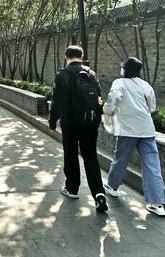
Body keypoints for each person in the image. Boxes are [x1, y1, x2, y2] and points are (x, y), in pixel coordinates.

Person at [102, 57, 165, 217]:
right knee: (152, 165)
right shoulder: (146, 85)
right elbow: (152, 107)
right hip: (146, 129)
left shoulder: (119, 83)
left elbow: (112, 99)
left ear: (125, 70)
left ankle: (113, 186)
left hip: (127, 129)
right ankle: (157, 203)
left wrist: (107, 110)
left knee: (121, 159)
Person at [48, 45, 108, 213]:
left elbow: (56, 101)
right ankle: (99, 193)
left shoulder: (62, 75)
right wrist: (97, 118)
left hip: (70, 123)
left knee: (71, 154)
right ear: (81, 57)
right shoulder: (91, 74)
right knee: (90, 157)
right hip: (90, 123)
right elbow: (99, 98)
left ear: (66, 57)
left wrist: (52, 123)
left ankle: (72, 188)